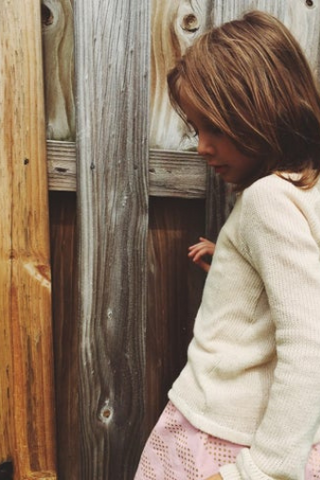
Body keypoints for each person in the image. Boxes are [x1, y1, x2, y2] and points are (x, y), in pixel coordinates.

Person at [135, 10, 320, 480]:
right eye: (197, 130)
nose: (201, 147)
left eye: (213, 127)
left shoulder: (266, 201)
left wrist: (261, 469)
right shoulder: (302, 190)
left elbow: (309, 341)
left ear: (262, 112)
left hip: (220, 437)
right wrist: (236, 265)